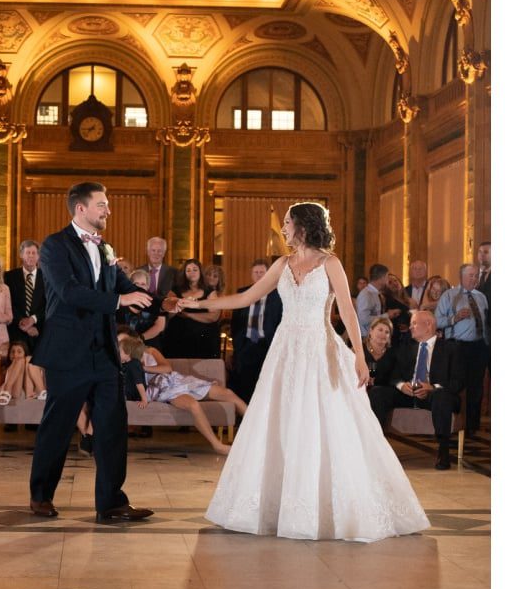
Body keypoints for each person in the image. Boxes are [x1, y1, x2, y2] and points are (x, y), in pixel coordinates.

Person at [179, 201, 429, 540]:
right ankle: (275, 505)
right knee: (279, 421)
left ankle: (322, 507)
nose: (282, 229)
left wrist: (358, 354)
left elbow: (348, 312)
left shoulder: (331, 264)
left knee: (319, 422)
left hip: (318, 348)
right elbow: (246, 297)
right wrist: (197, 303)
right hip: (285, 351)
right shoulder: (282, 263)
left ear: (304, 225)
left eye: (286, 223)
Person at [27, 182, 156, 523]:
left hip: (104, 353)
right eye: (102, 204)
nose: (108, 210)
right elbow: (69, 292)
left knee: (113, 427)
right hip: (68, 352)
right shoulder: (55, 246)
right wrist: (118, 301)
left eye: (107, 204)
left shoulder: (105, 248)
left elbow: (123, 288)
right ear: (81, 208)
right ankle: (41, 496)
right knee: (58, 426)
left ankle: (111, 503)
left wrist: (160, 302)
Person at [366, 308, 460, 470]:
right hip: (408, 394)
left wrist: (432, 387)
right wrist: (402, 386)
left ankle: (443, 451)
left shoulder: (450, 349)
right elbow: (394, 376)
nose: (410, 327)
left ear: (429, 324)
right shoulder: (405, 347)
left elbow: (458, 382)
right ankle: (376, 448)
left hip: (434, 395)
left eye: (415, 323)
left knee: (442, 395)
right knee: (378, 392)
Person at [128, 332, 246, 455]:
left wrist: (144, 368)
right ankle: (218, 446)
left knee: (228, 393)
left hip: (177, 380)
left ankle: (260, 429)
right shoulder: (126, 361)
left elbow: (167, 368)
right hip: (164, 389)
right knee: (193, 404)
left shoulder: (151, 351)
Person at [436, 262, 488, 436]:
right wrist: (455, 318)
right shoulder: (449, 296)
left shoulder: (481, 297)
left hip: (479, 346)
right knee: (457, 385)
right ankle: (452, 424)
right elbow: (437, 321)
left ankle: (473, 426)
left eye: (477, 275)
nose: (475, 279)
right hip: (457, 347)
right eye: (471, 275)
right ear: (461, 277)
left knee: (476, 387)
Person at [228, 259, 283, 403]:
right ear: (251, 274)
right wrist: (237, 344)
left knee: (265, 383)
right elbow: (236, 322)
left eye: (262, 272)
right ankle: (244, 418)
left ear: (267, 274)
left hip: (267, 344)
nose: (259, 275)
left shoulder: (278, 295)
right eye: (256, 272)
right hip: (246, 344)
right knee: (244, 383)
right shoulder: (242, 292)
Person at [161, 260, 223, 358]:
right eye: (188, 270)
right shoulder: (175, 290)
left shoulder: (209, 291)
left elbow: (214, 316)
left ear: (200, 272)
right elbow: (167, 314)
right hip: (178, 338)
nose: (192, 273)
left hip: (204, 341)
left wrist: (189, 315)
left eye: (195, 269)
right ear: (184, 273)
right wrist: (181, 304)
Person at [0, 339, 43, 405]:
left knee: (29, 359)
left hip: (30, 393)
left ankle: (40, 392)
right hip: (15, 392)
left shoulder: (31, 363)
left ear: (25, 354)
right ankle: (6, 390)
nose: (15, 354)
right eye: (12, 352)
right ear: (9, 355)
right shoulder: (6, 368)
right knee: (20, 361)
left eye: (19, 352)